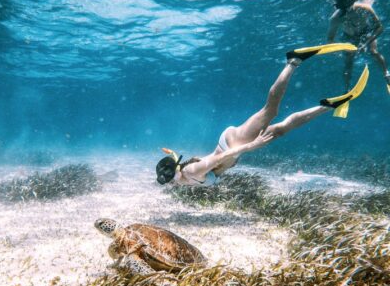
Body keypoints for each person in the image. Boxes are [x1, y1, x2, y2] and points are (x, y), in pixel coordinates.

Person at [156, 44, 369, 187]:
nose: (167, 182)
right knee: (282, 128)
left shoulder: (192, 170)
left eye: (166, 178)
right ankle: (328, 105)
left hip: (233, 144)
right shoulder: (183, 176)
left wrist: (252, 145)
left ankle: (293, 61)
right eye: (164, 179)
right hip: (232, 145)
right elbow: (189, 159)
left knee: (270, 110)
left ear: (174, 171)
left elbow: (220, 158)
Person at [327, 0, 390, 93]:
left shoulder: (365, 8)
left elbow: (379, 28)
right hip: (349, 37)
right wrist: (341, 50)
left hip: (366, 32)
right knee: (348, 61)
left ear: (352, 3)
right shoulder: (335, 18)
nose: (346, 13)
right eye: (343, 10)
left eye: (348, 9)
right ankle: (346, 89)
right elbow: (330, 41)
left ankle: (386, 73)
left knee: (373, 51)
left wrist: (366, 43)